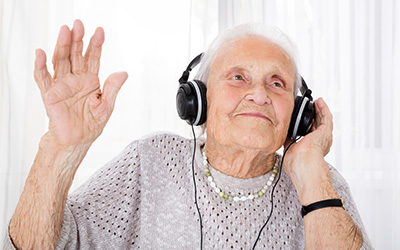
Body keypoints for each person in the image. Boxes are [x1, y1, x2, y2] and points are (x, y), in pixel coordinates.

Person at [4, 20, 372, 249]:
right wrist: (61, 148)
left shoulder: (322, 184)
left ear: (298, 115)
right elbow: (36, 244)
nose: (259, 94)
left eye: (277, 83)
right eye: (238, 76)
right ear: (198, 99)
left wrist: (310, 169)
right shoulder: (151, 161)